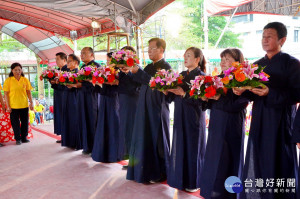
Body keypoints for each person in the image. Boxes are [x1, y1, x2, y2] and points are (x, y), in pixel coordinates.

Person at [234, 22, 300, 199]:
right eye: (263, 36)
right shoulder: (255, 65)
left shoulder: (292, 64)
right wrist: (242, 90)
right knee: (259, 156)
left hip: (281, 120)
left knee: (281, 159)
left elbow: (297, 94)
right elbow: (250, 95)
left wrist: (271, 92)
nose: (264, 40)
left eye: (269, 36)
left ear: (282, 40)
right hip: (260, 118)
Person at [200, 49, 249, 199]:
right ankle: (212, 192)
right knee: (214, 158)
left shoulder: (243, 79)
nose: (223, 62)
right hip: (216, 123)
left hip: (232, 124)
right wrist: (205, 99)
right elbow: (210, 104)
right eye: (222, 59)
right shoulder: (217, 79)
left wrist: (217, 98)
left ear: (238, 62)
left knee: (230, 159)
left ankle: (231, 194)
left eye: (227, 59)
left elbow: (239, 104)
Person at [124, 38, 171, 183]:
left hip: (157, 107)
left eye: (152, 48)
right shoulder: (150, 66)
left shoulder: (166, 67)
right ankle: (144, 170)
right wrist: (130, 72)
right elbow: (142, 80)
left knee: (157, 138)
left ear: (161, 50)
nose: (149, 51)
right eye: (148, 49)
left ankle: (159, 172)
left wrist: (137, 71)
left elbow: (154, 82)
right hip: (144, 106)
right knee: (144, 137)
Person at [165, 47, 207, 192]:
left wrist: (184, 94)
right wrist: (167, 91)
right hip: (179, 115)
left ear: (197, 59)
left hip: (193, 117)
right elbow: (172, 96)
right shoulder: (182, 75)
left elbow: (203, 101)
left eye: (188, 55)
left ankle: (194, 182)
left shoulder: (202, 77)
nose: (185, 58)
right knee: (180, 146)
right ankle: (180, 179)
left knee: (193, 148)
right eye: (184, 55)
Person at [91, 51, 123, 163]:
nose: (107, 62)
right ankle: (103, 153)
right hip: (104, 99)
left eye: (109, 60)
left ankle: (115, 154)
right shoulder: (105, 70)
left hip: (113, 99)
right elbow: (100, 87)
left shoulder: (119, 71)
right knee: (103, 125)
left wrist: (113, 82)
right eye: (107, 60)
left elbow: (119, 85)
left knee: (113, 124)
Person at [117, 46, 141, 169]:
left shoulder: (137, 69)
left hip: (133, 101)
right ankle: (128, 158)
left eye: (127, 54)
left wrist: (129, 72)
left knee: (133, 129)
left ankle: (135, 160)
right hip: (123, 101)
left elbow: (137, 85)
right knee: (125, 129)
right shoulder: (121, 70)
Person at [3, 62, 34, 145]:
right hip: (13, 106)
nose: (18, 72)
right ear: (12, 70)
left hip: (24, 105)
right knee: (15, 123)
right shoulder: (8, 80)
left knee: (24, 122)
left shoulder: (25, 79)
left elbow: (29, 92)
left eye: (19, 70)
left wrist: (31, 103)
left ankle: (24, 137)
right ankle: (18, 139)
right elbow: (5, 94)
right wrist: (8, 106)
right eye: (15, 70)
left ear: (21, 70)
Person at [78, 47, 101, 155]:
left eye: (84, 53)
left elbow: (100, 82)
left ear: (92, 55)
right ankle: (87, 146)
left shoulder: (97, 66)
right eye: (81, 53)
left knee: (93, 121)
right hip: (83, 96)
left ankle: (96, 148)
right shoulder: (82, 67)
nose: (81, 55)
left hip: (93, 96)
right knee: (84, 120)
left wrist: (88, 81)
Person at [61, 54, 82, 150]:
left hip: (74, 97)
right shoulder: (67, 72)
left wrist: (73, 85)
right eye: (67, 61)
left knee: (74, 119)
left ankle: (76, 143)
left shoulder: (79, 73)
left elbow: (80, 85)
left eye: (70, 61)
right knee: (67, 118)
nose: (67, 63)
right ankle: (69, 141)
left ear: (76, 63)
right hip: (67, 96)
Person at [51, 52, 68, 143]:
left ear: (64, 60)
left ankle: (66, 136)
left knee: (64, 114)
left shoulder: (67, 70)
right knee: (58, 114)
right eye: (56, 59)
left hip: (64, 94)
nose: (56, 61)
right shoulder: (57, 70)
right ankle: (62, 135)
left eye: (58, 59)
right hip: (57, 94)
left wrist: (56, 83)